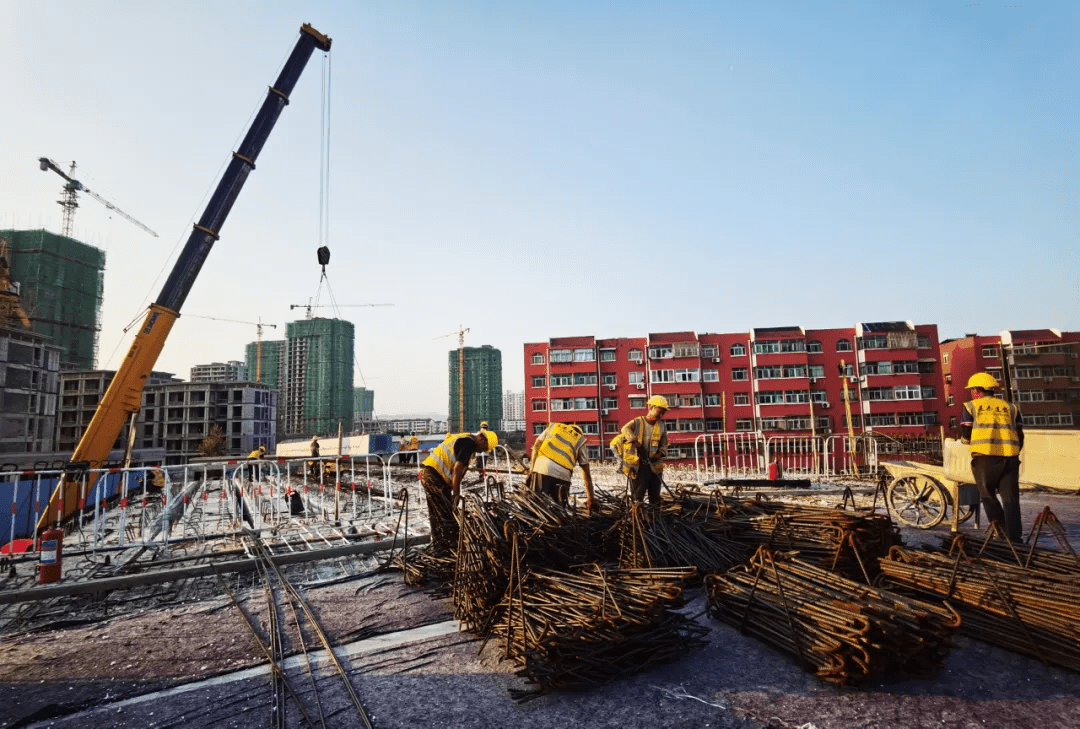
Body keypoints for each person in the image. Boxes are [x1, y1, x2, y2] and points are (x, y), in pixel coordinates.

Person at [960, 372, 1025, 542]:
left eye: (972, 389)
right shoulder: (1011, 407)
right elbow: (1020, 435)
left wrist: (968, 442)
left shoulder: (970, 406)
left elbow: (966, 435)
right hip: (1010, 458)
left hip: (985, 457)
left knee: (987, 495)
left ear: (976, 390)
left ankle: (1001, 533)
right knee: (1011, 498)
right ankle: (1015, 537)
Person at [420, 430, 499, 549]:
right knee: (445, 514)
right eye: (484, 448)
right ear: (482, 439)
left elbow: (459, 472)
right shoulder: (469, 443)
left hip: (431, 474)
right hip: (434, 475)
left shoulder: (465, 439)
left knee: (437, 512)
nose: (482, 451)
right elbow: (457, 470)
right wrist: (456, 496)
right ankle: (447, 546)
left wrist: (453, 491)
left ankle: (440, 545)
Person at [610, 395, 669, 506]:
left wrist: (658, 455)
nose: (661, 415)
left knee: (655, 498)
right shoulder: (638, 422)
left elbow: (664, 444)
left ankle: (653, 518)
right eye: (660, 412)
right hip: (638, 466)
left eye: (663, 413)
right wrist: (634, 440)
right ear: (651, 407)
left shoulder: (661, 426)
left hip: (655, 467)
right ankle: (637, 518)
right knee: (637, 497)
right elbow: (625, 429)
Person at [529, 422, 595, 510]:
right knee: (558, 508)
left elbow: (536, 446)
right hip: (562, 474)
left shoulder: (554, 427)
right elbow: (586, 473)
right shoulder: (580, 440)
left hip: (541, 467)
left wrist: (531, 469)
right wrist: (591, 499)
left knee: (536, 505)